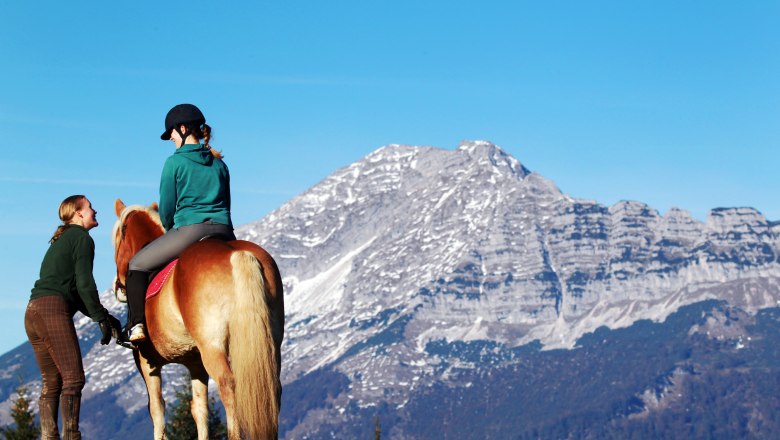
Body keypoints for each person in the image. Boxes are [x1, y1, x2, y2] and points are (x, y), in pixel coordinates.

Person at [124, 103, 235, 342]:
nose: (171, 138)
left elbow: (166, 208)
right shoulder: (220, 164)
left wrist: (169, 229)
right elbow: (226, 202)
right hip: (225, 231)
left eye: (172, 133)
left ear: (183, 129)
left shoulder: (174, 163)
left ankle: (137, 326)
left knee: (136, 265)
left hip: (190, 230)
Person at [25, 195, 121, 440]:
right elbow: (85, 284)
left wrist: (104, 316)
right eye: (90, 207)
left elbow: (77, 293)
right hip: (51, 309)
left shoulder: (62, 239)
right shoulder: (81, 238)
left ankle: (49, 437)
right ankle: (71, 436)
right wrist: (101, 318)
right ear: (78, 214)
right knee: (73, 378)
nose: (95, 211)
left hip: (33, 311)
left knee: (52, 381)